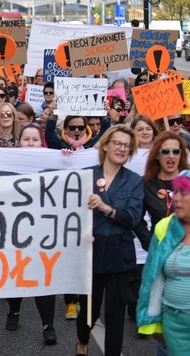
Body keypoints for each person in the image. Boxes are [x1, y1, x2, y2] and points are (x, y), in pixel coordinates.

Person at [77, 124, 143, 356]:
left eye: (127, 146)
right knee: (88, 312)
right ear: (105, 145)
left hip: (120, 256)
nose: (122, 148)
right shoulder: (85, 175)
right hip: (91, 253)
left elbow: (133, 218)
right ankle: (82, 342)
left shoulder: (135, 181)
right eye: (117, 143)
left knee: (115, 316)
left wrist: (106, 208)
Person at [4, 123, 58, 345]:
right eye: (26, 139)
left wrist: (67, 158)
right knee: (16, 275)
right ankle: (14, 311)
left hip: (43, 232)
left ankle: (48, 325)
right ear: (19, 142)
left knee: (44, 278)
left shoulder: (53, 162)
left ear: (42, 142)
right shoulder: (6, 160)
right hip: (14, 230)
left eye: (35, 139)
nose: (31, 143)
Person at [130, 133, 188, 327]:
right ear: (157, 155)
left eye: (175, 151)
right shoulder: (146, 183)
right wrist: (151, 244)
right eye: (165, 151)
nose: (171, 156)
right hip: (163, 256)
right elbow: (137, 219)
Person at [137, 169, 190, 355]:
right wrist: (153, 323)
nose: (176, 198)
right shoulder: (165, 227)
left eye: (183, 193)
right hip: (172, 324)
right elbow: (152, 278)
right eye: (175, 192)